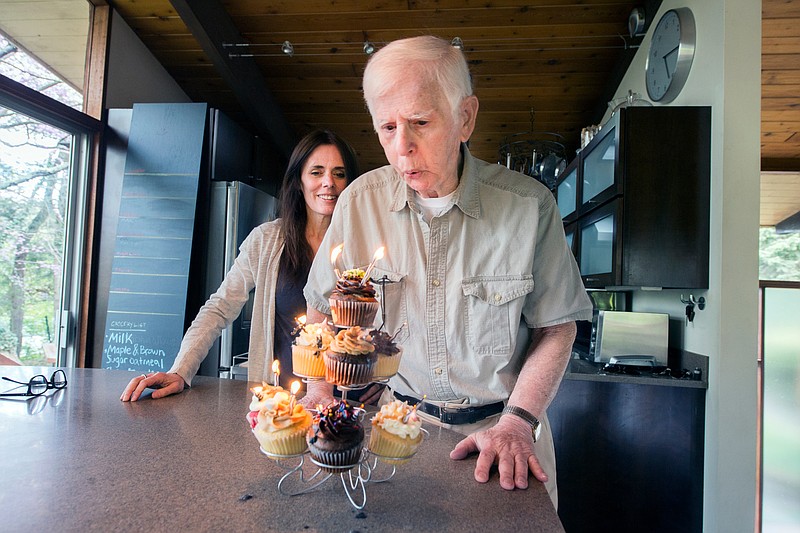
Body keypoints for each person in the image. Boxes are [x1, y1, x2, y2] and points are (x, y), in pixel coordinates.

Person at [302, 36, 593, 507]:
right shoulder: (359, 201)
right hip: (395, 431)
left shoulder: (528, 206)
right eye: (387, 127)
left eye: (420, 122)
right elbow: (322, 308)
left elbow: (558, 328)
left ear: (465, 117)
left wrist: (519, 420)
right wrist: (320, 388)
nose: (403, 149)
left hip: (504, 437)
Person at [121, 129, 359, 402]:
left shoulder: (362, 244)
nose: (329, 182)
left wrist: (388, 376)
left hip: (352, 402)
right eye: (316, 172)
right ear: (298, 181)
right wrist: (180, 370)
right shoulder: (267, 240)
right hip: (283, 401)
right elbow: (220, 307)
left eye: (339, 173)